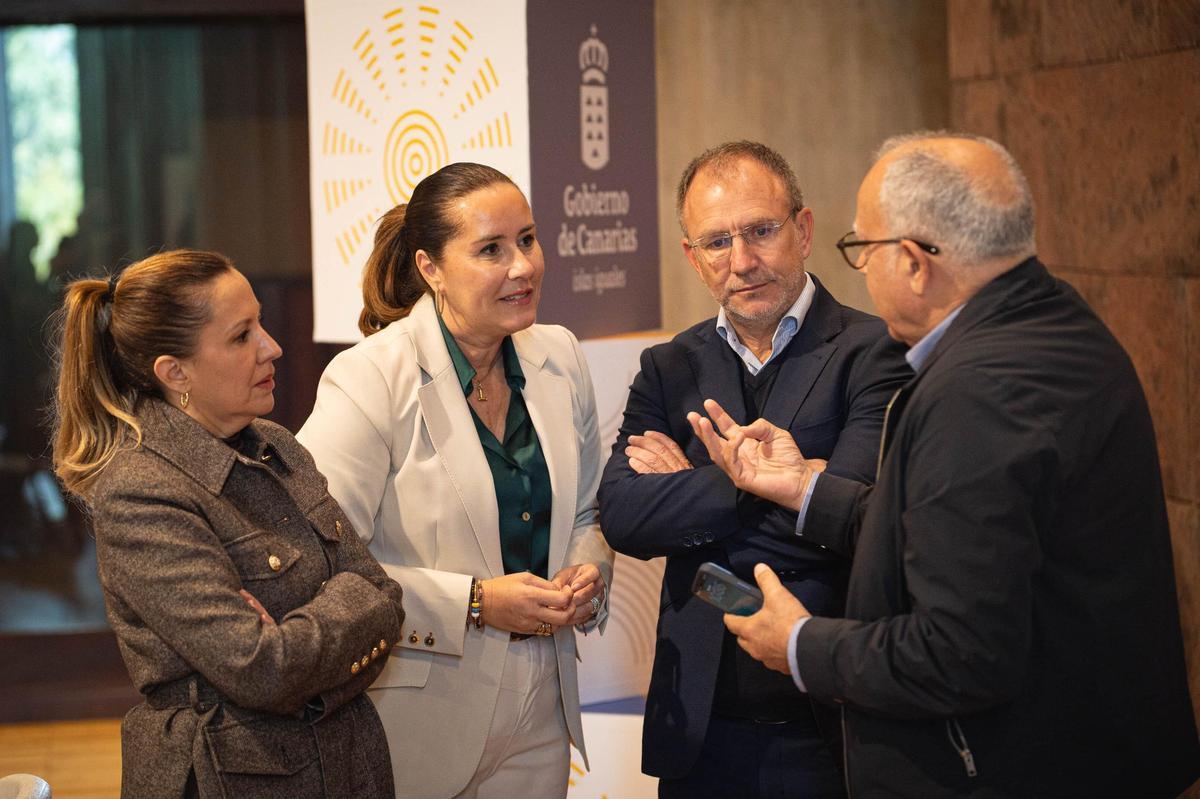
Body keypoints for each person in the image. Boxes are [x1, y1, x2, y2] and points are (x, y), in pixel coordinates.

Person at [689, 132, 1200, 797]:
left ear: (912, 261)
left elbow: (958, 654)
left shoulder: (980, 389)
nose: (861, 273)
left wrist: (800, 644)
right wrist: (810, 490)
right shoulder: (1055, 325)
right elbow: (966, 530)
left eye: (861, 250)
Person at [597, 141, 910, 797]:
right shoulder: (669, 366)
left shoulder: (874, 352)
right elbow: (624, 516)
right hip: (699, 730)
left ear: (803, 230)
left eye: (761, 231)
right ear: (691, 255)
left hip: (824, 724)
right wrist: (776, 485)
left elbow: (860, 516)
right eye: (716, 242)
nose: (741, 261)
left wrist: (684, 492)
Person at [297, 162, 614, 798]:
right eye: (491, 250)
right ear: (430, 267)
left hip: (543, 706)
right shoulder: (369, 379)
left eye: (527, 239)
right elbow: (320, 561)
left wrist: (589, 571)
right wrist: (474, 603)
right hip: (418, 716)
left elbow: (587, 512)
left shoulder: (562, 356)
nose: (522, 267)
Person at [50, 250, 405, 797]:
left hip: (348, 766)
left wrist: (302, 635)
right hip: (231, 777)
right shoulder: (140, 491)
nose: (273, 347)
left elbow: (385, 595)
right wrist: (348, 604)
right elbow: (262, 668)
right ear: (175, 373)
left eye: (260, 322)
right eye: (242, 336)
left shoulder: (278, 446)